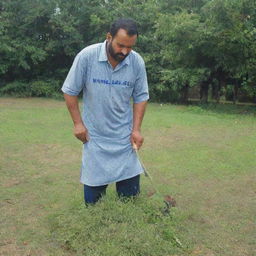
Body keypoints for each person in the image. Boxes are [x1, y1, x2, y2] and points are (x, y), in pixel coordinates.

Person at [61, 18, 149, 204]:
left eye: (130, 47)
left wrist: (136, 130)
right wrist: (78, 124)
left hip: (125, 142)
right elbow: (69, 91)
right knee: (93, 204)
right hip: (95, 140)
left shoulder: (136, 62)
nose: (125, 52)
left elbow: (141, 96)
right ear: (109, 37)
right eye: (121, 45)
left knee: (130, 202)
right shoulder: (87, 56)